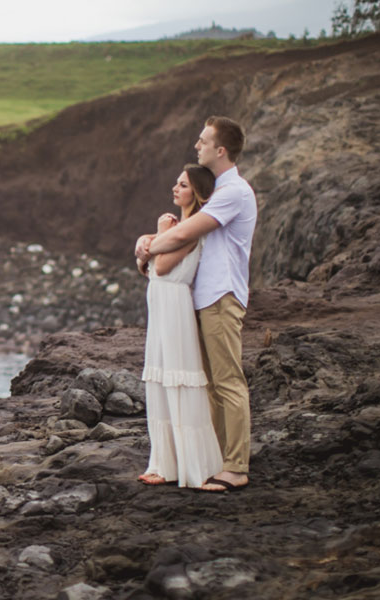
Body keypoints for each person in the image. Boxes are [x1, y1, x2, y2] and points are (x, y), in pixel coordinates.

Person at [136, 116, 257, 493]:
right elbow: (181, 234)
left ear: (220, 150)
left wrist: (148, 245)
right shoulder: (216, 190)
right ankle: (217, 458)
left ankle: (235, 467)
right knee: (208, 384)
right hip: (201, 297)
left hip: (221, 296)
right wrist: (148, 242)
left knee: (226, 382)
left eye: (203, 141)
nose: (197, 146)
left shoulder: (232, 191)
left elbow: (187, 232)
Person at [136, 164, 223, 488]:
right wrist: (146, 248)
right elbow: (145, 266)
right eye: (176, 182)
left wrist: (155, 236)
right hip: (160, 304)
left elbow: (160, 265)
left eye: (183, 185)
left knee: (178, 377)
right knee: (159, 377)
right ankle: (164, 462)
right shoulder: (178, 227)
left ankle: (193, 465)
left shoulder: (189, 229)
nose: (175, 188)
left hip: (174, 306)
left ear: (196, 193)